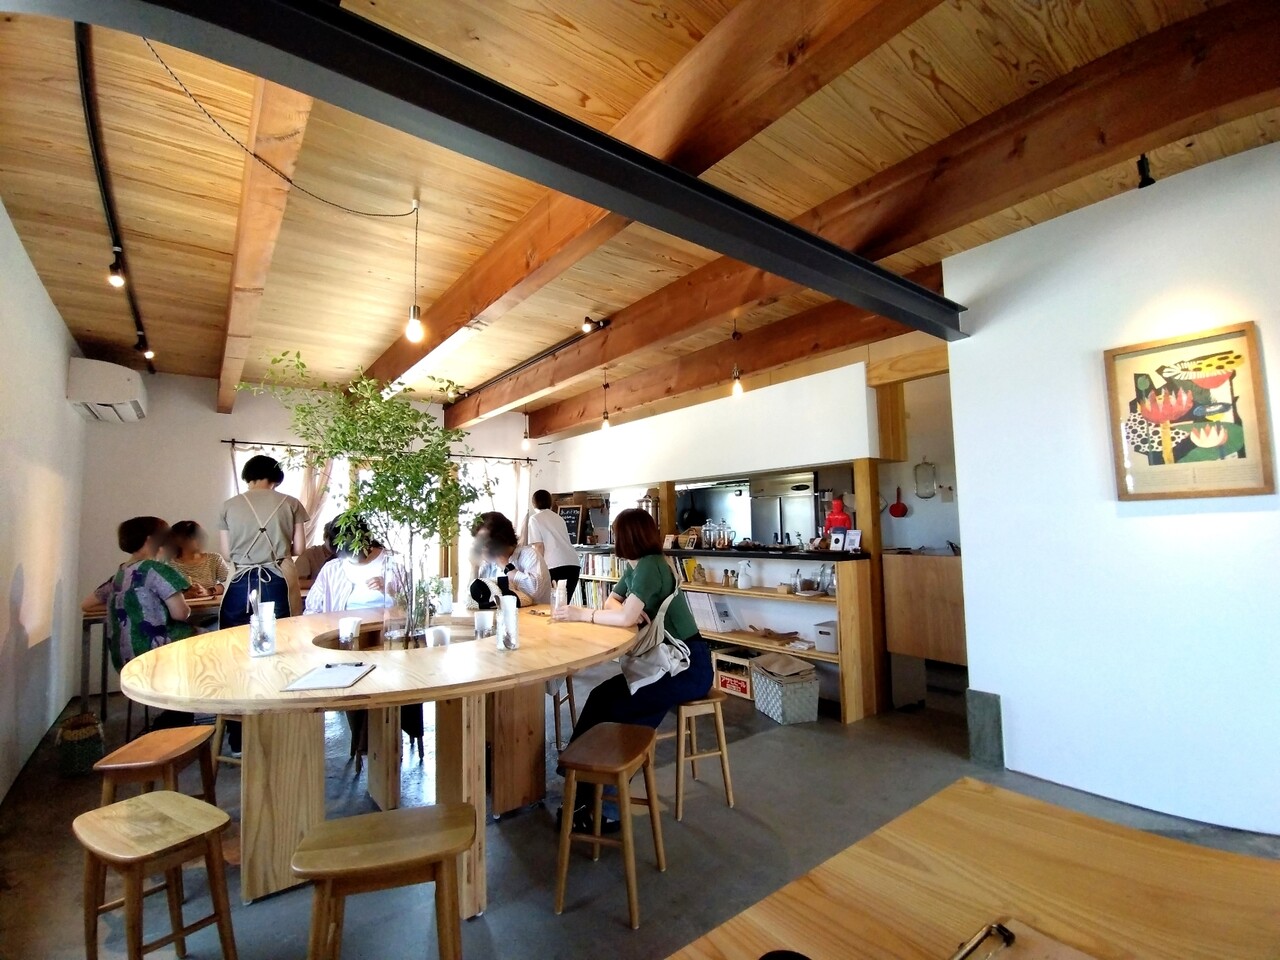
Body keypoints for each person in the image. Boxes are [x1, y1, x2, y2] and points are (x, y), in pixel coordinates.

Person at [552, 508, 712, 828]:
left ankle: (605, 808)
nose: (613, 538)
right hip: (665, 662)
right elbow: (612, 603)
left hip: (687, 666)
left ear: (628, 536)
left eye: (616, 532)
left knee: (622, 711)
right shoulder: (637, 567)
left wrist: (583, 614)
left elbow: (622, 616)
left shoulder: (651, 566)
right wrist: (627, 611)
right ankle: (580, 782)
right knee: (600, 697)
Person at [82, 516, 195, 729]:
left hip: (126, 659)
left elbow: (86, 604)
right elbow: (181, 613)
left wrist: (127, 604)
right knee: (216, 639)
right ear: (152, 540)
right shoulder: (157, 569)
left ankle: (175, 715)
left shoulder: (120, 573)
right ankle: (188, 715)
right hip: (159, 654)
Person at [218, 454, 308, 629]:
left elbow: (227, 554)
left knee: (234, 635)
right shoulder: (291, 503)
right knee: (281, 633)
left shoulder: (228, 505)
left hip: (240, 578)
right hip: (278, 576)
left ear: (247, 475)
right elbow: (299, 548)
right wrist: (277, 548)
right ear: (276, 477)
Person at [303, 517, 405, 614]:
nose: (348, 558)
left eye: (353, 552)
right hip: (341, 625)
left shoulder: (398, 564)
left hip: (385, 625)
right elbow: (312, 610)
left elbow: (411, 608)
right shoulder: (331, 569)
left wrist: (389, 591)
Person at [472, 512, 549, 606]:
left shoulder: (529, 555)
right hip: (501, 614)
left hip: (535, 614)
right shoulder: (489, 565)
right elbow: (474, 599)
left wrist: (505, 565)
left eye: (484, 543)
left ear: (500, 540)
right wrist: (474, 568)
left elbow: (534, 592)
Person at [526, 489, 581, 603]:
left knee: (549, 605)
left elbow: (539, 546)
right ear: (550, 502)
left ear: (533, 503)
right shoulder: (559, 518)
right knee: (563, 605)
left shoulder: (535, 519)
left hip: (553, 565)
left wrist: (536, 570)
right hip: (573, 564)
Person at [166, 520, 229, 596]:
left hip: (213, 603)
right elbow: (164, 592)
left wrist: (208, 591)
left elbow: (231, 582)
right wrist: (185, 594)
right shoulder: (168, 565)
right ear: (179, 541)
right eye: (194, 537)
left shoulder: (214, 559)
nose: (200, 540)